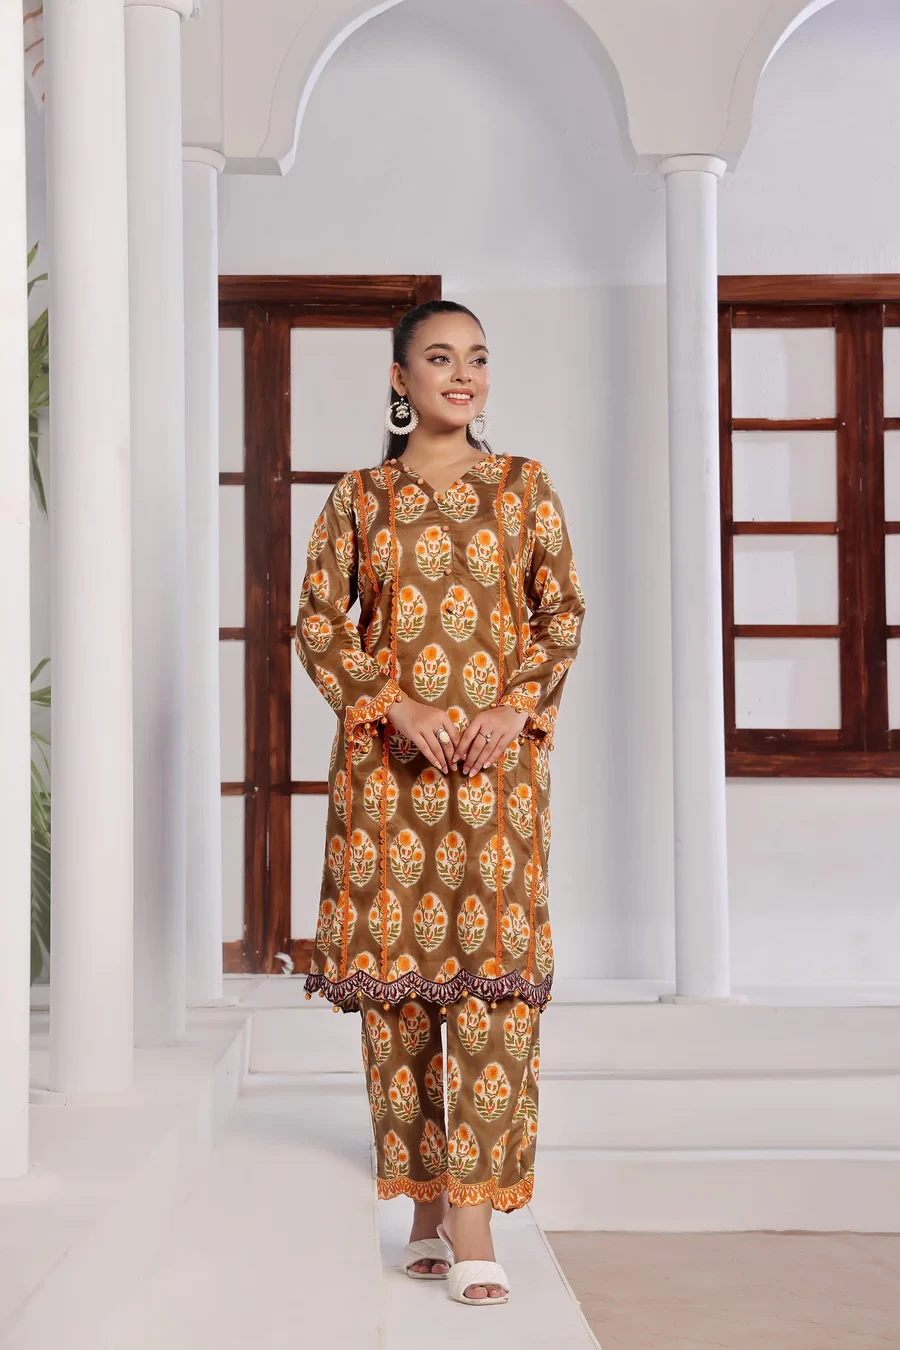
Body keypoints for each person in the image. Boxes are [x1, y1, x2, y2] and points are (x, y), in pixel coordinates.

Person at [295, 299, 586, 1306]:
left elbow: (560, 613)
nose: (463, 375)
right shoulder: (360, 499)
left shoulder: (524, 488)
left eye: (477, 359)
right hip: (390, 780)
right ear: (399, 378)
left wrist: (513, 708)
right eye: (440, 357)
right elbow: (319, 622)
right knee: (402, 1000)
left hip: (496, 781)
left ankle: (473, 1222)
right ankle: (421, 1207)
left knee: (495, 996)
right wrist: (395, 705)